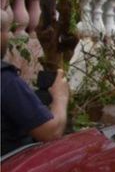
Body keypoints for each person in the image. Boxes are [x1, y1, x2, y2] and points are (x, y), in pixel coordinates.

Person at [1, 12, 70, 155]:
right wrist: (60, 98)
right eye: (7, 31)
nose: (9, 37)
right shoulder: (6, 81)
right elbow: (50, 133)